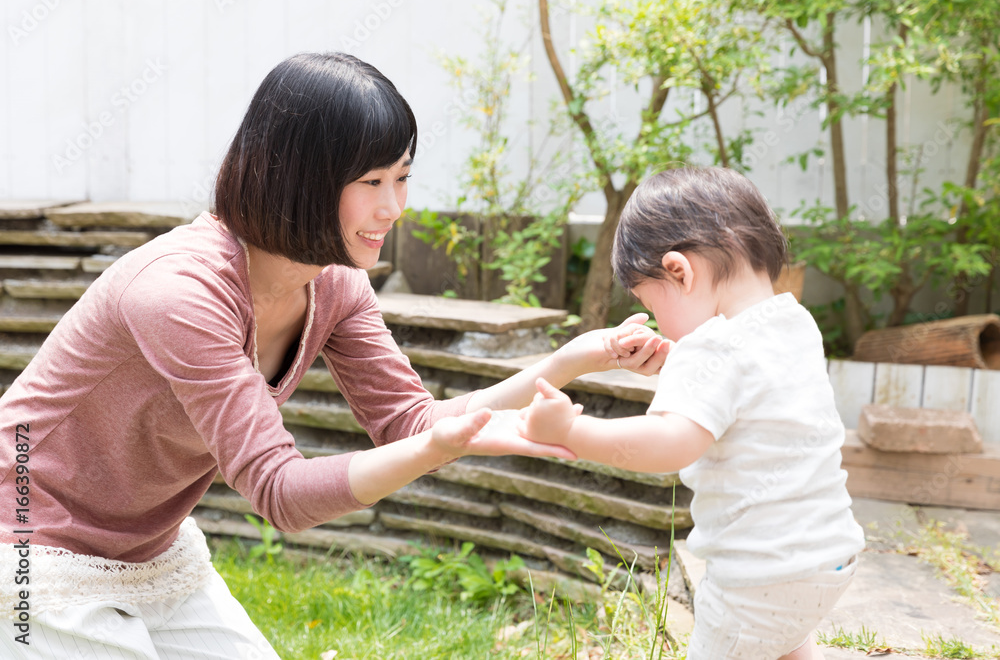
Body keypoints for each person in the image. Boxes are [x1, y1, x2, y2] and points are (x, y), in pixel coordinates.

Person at [0, 52, 669, 658]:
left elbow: (411, 420)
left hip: (147, 549)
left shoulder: (334, 282)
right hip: (29, 545)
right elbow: (281, 493)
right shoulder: (181, 294)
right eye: (371, 180)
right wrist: (439, 449)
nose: (393, 206)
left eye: (402, 178)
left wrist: (569, 361)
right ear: (297, 179)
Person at [518, 166, 866, 660]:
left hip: (759, 577)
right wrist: (678, 365)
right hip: (829, 559)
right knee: (784, 641)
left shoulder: (712, 349)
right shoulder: (793, 322)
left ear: (680, 271)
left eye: (649, 301)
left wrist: (570, 430)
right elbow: (747, 401)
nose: (659, 321)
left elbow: (668, 444)